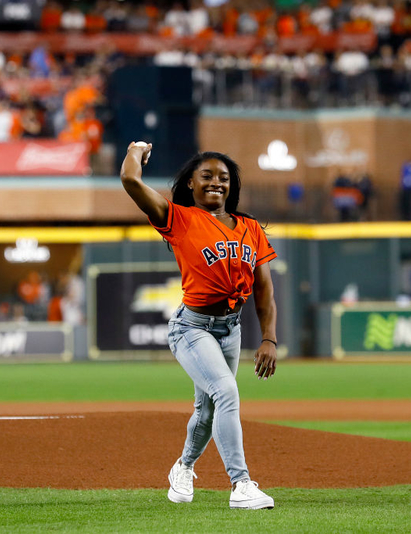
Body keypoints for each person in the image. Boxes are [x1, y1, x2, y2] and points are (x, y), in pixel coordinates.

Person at [120, 142, 277, 510]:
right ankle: (240, 484)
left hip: (231, 329)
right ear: (190, 183)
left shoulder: (251, 228)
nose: (216, 183)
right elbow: (129, 179)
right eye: (206, 176)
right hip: (192, 328)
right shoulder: (179, 218)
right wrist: (135, 150)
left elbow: (265, 288)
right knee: (227, 393)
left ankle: (183, 467)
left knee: (207, 410)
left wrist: (269, 337)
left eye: (223, 178)